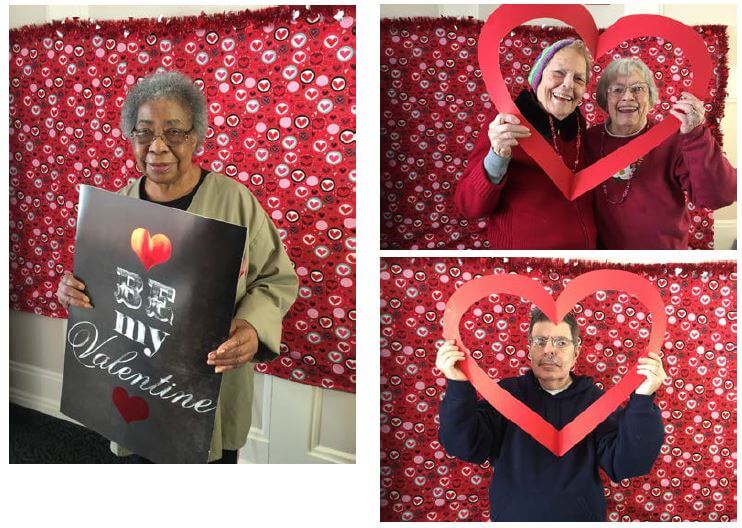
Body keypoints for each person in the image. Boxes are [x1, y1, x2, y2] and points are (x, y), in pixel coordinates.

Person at [55, 71, 299, 463]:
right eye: (144, 132)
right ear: (130, 137)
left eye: (174, 132)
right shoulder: (115, 209)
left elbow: (276, 278)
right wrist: (73, 291)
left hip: (204, 381)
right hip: (136, 376)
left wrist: (254, 326)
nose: (157, 147)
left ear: (196, 137)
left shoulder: (235, 202)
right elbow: (100, 284)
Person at [436, 308, 665, 521]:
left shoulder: (595, 402)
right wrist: (458, 386)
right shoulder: (506, 395)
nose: (549, 349)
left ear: (576, 352)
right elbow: (465, 445)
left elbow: (627, 463)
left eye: (561, 342)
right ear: (529, 350)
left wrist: (643, 399)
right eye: (540, 341)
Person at [455, 39, 596, 249]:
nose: (568, 84)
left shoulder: (577, 124)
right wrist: (497, 157)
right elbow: (467, 206)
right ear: (538, 77)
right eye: (558, 73)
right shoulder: (506, 123)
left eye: (578, 78)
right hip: (527, 262)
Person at [584, 58, 736, 249]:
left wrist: (696, 134)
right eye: (617, 89)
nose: (628, 97)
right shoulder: (588, 141)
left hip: (663, 258)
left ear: (651, 98)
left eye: (638, 88)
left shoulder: (674, 138)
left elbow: (720, 195)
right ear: (605, 99)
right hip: (606, 260)